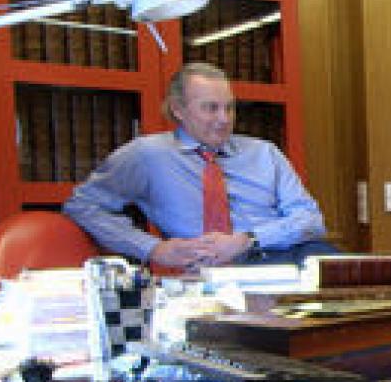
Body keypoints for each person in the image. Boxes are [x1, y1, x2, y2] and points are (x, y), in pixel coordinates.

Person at [64, 62, 335, 269]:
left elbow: (311, 221)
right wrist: (153, 249)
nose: (223, 119)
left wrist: (248, 239)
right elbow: (83, 206)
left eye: (229, 108)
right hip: (216, 274)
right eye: (210, 108)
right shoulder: (147, 156)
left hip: (291, 257)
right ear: (178, 109)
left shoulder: (264, 153)